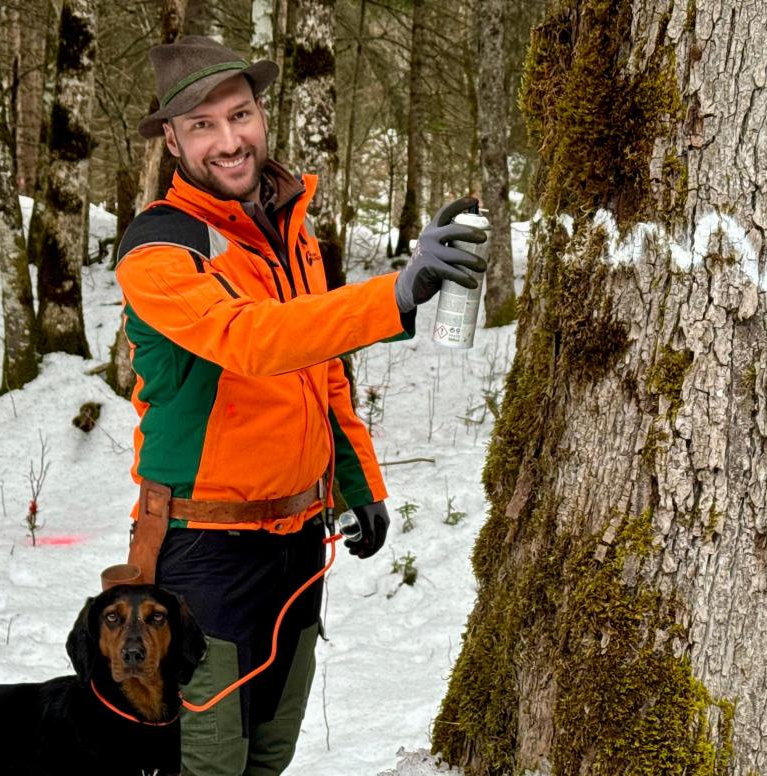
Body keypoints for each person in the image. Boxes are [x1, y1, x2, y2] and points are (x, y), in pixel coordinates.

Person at [113, 36, 486, 776]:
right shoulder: (160, 248)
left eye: (239, 115)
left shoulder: (289, 229)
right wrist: (395, 293)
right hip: (202, 553)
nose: (229, 140)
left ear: (262, 114)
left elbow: (321, 371)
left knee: (268, 754)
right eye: (202, 126)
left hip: (297, 546)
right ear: (173, 142)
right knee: (206, 763)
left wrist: (357, 485)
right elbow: (251, 339)